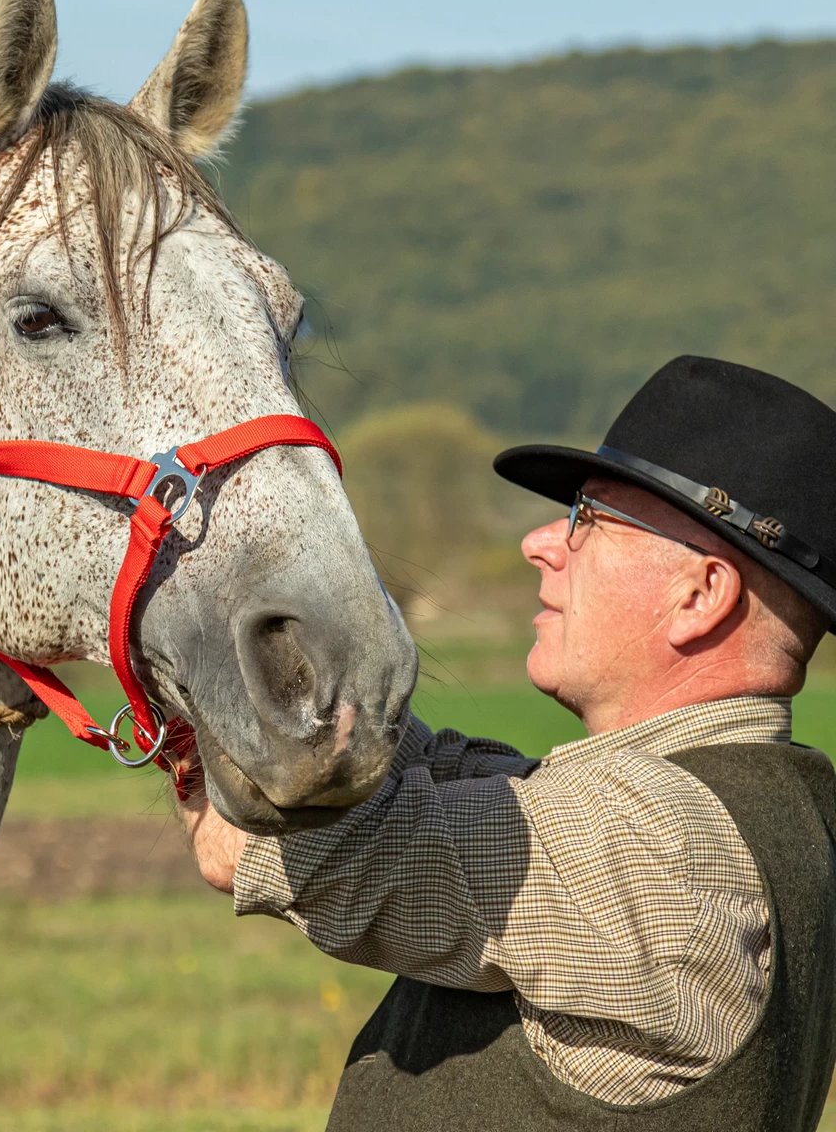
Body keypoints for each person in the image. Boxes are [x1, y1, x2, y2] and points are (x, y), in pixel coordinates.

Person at [178, 356, 836, 1131]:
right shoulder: (769, 809)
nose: (540, 542)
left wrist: (178, 640)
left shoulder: (667, 846)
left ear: (700, 596)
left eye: (587, 519)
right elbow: (455, 777)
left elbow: (297, 842)